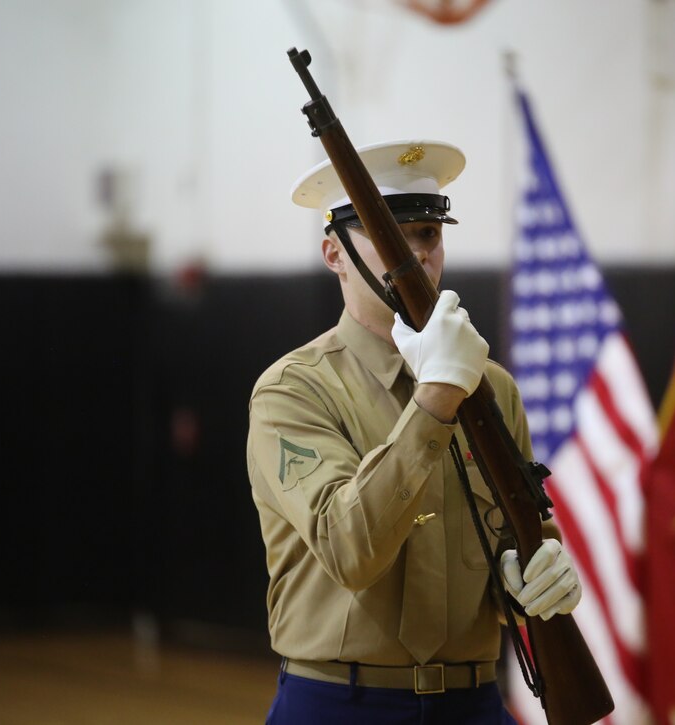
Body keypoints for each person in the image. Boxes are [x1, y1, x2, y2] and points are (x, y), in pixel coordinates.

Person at [247, 139, 583, 724]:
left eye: (428, 234)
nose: (417, 254)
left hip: (473, 702)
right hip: (340, 703)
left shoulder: (493, 387)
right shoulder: (293, 391)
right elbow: (349, 550)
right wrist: (437, 397)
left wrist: (530, 575)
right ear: (334, 254)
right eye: (392, 236)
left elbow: (519, 529)